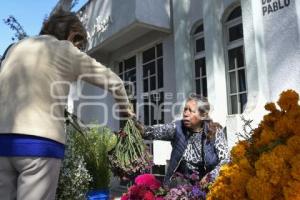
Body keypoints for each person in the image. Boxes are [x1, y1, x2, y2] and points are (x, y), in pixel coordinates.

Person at [0, 10, 133, 200]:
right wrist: (127, 111)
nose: (78, 48)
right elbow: (114, 82)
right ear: (72, 34)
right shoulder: (65, 49)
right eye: (78, 44)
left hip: (3, 142)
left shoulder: (15, 48)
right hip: (40, 146)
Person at [141, 94, 230, 186]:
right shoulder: (177, 128)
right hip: (182, 186)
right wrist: (131, 122)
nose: (186, 114)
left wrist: (210, 176)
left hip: (209, 186)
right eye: (185, 109)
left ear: (203, 115)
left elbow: (226, 160)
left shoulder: (215, 131)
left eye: (191, 111)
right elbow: (150, 132)